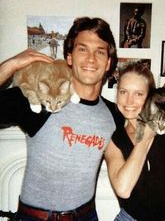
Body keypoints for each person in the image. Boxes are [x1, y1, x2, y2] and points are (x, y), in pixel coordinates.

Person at [0, 17, 124, 221]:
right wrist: (12, 65)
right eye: (82, 49)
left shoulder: (114, 115)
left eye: (100, 51)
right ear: (69, 57)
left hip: (87, 216)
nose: (91, 59)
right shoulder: (39, 100)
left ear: (108, 62)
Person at [104, 62, 165, 220]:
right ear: (117, 94)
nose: (129, 100)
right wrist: (145, 137)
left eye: (138, 94)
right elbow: (123, 189)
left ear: (149, 97)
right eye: (123, 92)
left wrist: (159, 99)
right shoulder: (115, 140)